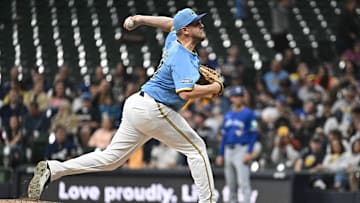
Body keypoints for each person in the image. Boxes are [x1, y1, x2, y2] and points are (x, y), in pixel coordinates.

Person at [27, 8, 222, 203]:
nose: (202, 25)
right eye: (197, 23)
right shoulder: (182, 57)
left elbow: (171, 23)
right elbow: (186, 92)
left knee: (111, 160)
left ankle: (54, 169)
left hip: (137, 103)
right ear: (186, 30)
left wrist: (140, 19)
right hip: (153, 108)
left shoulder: (175, 40)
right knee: (197, 148)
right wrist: (214, 87)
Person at [215, 86, 258, 203]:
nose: (238, 99)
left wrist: (249, 152)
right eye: (235, 96)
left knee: (243, 183)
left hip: (241, 149)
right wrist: (220, 154)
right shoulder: (228, 115)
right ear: (232, 98)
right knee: (231, 184)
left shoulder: (249, 114)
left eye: (240, 96)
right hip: (228, 150)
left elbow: (253, 134)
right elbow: (223, 136)